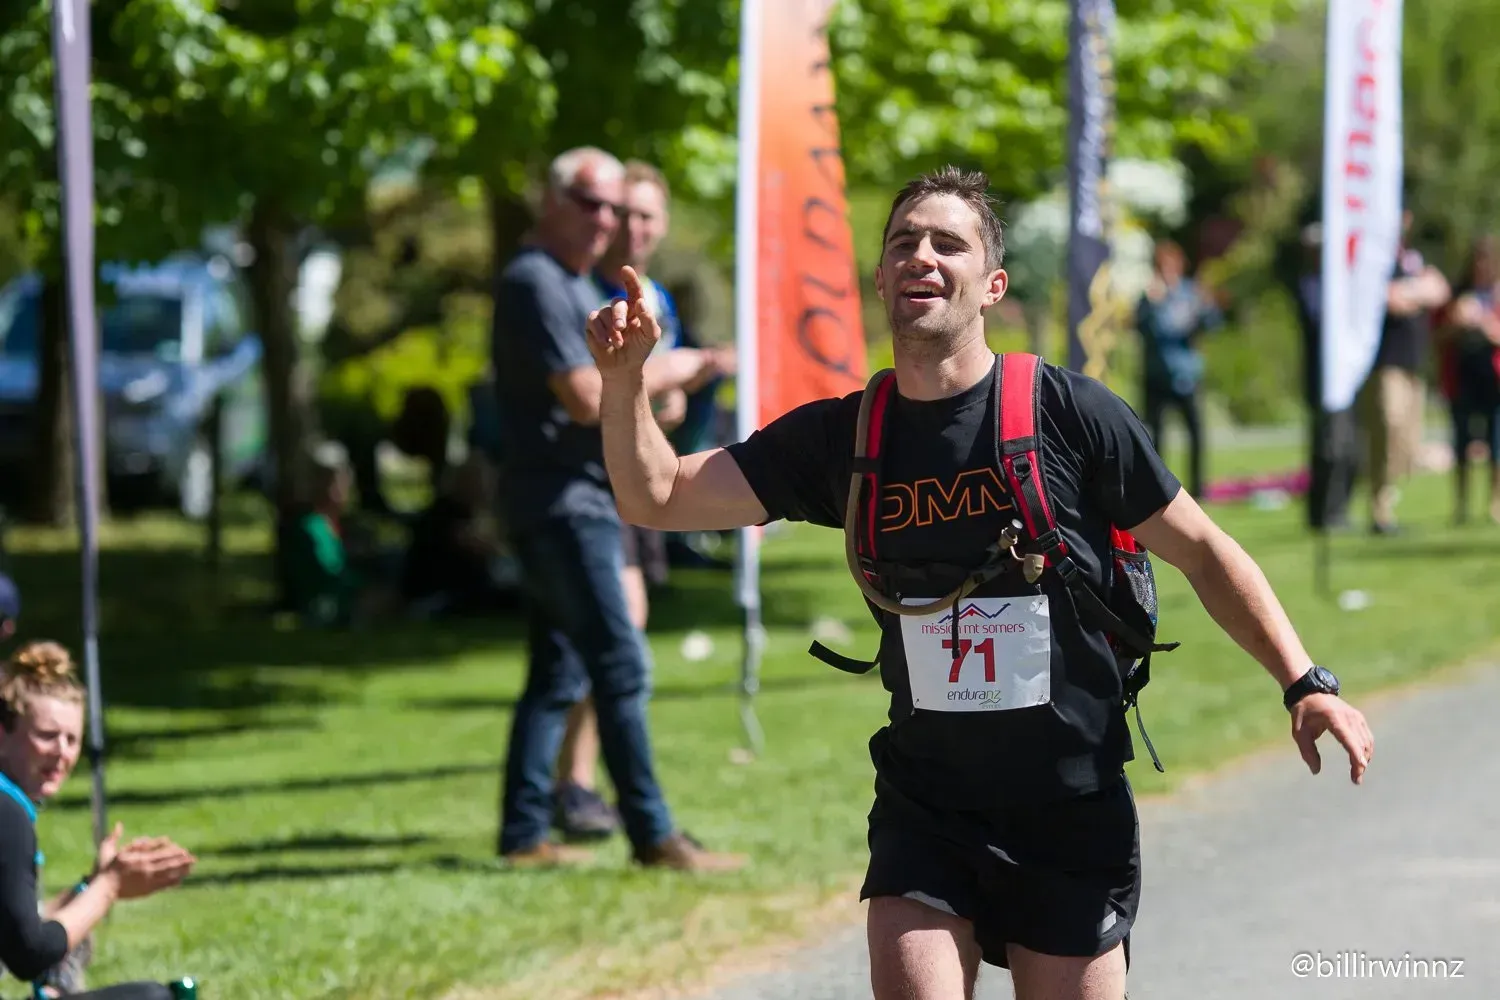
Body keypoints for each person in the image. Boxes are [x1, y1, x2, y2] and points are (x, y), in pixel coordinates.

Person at [586, 166, 1375, 1000]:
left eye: (947, 243)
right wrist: (625, 380)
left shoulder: (1070, 414)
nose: (922, 256)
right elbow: (658, 494)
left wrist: (1304, 681)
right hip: (929, 808)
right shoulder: (845, 439)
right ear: (882, 278)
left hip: (1070, 805)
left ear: (992, 284)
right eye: (903, 243)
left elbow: (1207, 553)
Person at [489, 145, 742, 870]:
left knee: (557, 671)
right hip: (566, 503)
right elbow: (585, 395)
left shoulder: (566, 283)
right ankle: (654, 836)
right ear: (551, 201)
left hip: (571, 497)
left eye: (614, 206)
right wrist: (683, 366)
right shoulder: (535, 281)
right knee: (621, 664)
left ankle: (523, 836)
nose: (605, 220)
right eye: (590, 203)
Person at [0, 641, 196, 998]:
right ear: (2, 734)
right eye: (46, 735)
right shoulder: (6, 814)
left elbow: (17, 927)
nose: (62, 752)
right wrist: (109, 888)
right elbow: (29, 953)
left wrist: (90, 885)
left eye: (72, 739)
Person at [1365, 209, 1451, 535]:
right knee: (1387, 428)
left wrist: (1411, 291)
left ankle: (1390, 501)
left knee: (1408, 441)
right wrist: (1418, 292)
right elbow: (1390, 300)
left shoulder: (1413, 258)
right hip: (1385, 362)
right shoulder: (1373, 260)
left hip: (1414, 361)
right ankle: (1380, 511)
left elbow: (1439, 290)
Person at [1135, 238, 1222, 499]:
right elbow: (1148, 329)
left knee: (1196, 434)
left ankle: (1199, 488)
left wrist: (1207, 306)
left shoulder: (1190, 292)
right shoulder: (1149, 296)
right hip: (1157, 376)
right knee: (1155, 437)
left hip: (1187, 375)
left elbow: (1211, 323)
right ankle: (1159, 490)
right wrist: (1153, 306)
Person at [1434, 236, 1500, 524]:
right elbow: (1437, 337)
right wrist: (1457, 322)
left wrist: (1485, 323)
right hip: (1463, 377)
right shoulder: (1458, 295)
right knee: (1460, 441)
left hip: (1494, 377)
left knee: (1496, 442)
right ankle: (1460, 504)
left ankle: (1495, 502)